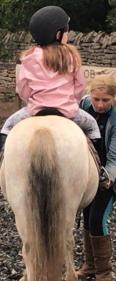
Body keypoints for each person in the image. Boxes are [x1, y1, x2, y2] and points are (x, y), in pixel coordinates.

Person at [0, 5, 107, 187]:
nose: (68, 33)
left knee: (7, 127)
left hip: (35, 110)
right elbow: (79, 87)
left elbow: (23, 90)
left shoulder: (29, 57)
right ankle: (100, 170)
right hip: (68, 112)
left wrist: (32, 100)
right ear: (58, 34)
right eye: (66, 30)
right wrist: (70, 101)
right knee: (93, 127)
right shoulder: (71, 57)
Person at [77, 74, 116, 281]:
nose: (100, 105)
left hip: (109, 177)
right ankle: (90, 266)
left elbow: (114, 157)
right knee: (86, 218)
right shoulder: (83, 106)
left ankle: (104, 272)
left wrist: (107, 178)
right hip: (88, 173)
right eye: (96, 99)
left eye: (106, 100)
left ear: (114, 99)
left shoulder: (115, 118)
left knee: (98, 219)